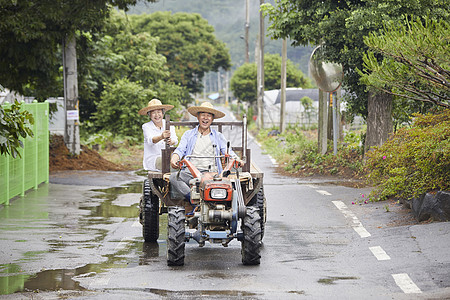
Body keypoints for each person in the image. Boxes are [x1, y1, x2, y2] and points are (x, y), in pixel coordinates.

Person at [169, 102, 243, 201]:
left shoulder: (218, 136)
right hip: (191, 172)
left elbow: (228, 152)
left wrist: (238, 160)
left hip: (213, 173)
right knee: (174, 177)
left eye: (208, 116)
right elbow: (180, 150)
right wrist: (174, 159)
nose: (205, 118)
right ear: (198, 117)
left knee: (231, 186)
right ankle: (193, 199)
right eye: (203, 115)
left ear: (212, 119)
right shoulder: (188, 134)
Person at [139, 99, 178, 171]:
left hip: (169, 157)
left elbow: (175, 140)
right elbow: (151, 140)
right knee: (168, 162)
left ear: (163, 113)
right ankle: (173, 180)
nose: (157, 115)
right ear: (149, 115)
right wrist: (161, 137)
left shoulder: (169, 124)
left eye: (159, 112)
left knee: (181, 161)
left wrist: (171, 141)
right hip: (154, 159)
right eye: (153, 112)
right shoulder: (146, 126)